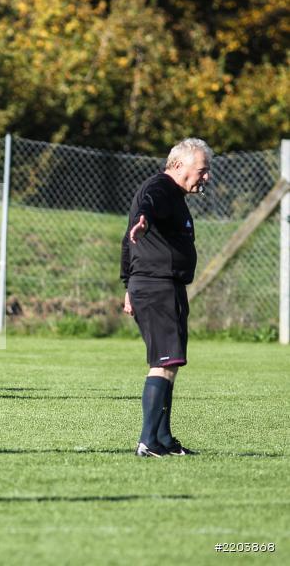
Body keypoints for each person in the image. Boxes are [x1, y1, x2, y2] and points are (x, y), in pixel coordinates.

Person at [121, 137, 212, 457]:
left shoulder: (174, 196)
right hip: (157, 287)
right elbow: (149, 201)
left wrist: (127, 285)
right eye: (202, 170)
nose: (206, 177)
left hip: (162, 287)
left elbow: (125, 242)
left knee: (170, 363)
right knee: (164, 363)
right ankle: (148, 441)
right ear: (177, 166)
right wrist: (143, 216)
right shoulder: (160, 188)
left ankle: (163, 439)